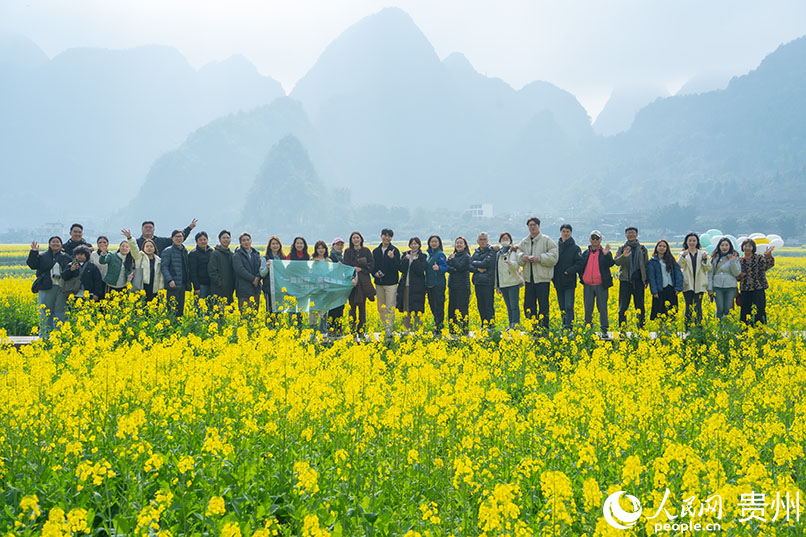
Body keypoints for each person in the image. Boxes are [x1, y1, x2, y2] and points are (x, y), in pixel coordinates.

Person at [518, 217, 558, 330]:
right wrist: (523, 257)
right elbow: (518, 254)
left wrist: (539, 258)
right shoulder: (524, 242)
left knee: (543, 306)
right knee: (529, 305)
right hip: (529, 279)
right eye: (530, 225)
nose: (532, 227)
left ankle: (544, 328)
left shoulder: (547, 240)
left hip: (542, 279)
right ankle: (533, 327)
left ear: (539, 226)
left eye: (534, 225)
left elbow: (554, 256)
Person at [27, 236, 72, 337]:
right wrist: (34, 252)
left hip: (61, 287)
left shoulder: (66, 257)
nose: (55, 244)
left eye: (58, 242)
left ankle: (59, 336)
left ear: (61, 245)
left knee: (60, 312)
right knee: (45, 312)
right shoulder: (43, 256)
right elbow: (32, 264)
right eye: (53, 242)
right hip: (46, 286)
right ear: (49, 244)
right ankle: (45, 336)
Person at [578, 230, 614, 337]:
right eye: (593, 238)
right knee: (588, 308)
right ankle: (588, 329)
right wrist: (583, 278)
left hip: (601, 285)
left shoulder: (605, 252)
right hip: (588, 285)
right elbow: (581, 267)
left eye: (597, 238)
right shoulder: (585, 253)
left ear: (600, 240)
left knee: (602, 308)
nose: (594, 240)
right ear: (590, 239)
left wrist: (606, 255)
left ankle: (604, 330)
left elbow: (611, 264)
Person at [614, 227, 649, 328]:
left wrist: (646, 280)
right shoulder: (622, 248)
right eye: (629, 233)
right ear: (626, 235)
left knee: (640, 306)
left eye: (633, 233)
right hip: (625, 281)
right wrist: (624, 256)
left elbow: (646, 265)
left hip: (639, 281)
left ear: (637, 234)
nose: (631, 235)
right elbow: (616, 262)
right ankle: (622, 329)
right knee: (623, 307)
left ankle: (641, 329)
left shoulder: (642, 249)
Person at [677, 232, 711, 328]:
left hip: (699, 284)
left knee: (698, 307)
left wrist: (705, 259)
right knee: (688, 307)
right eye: (690, 240)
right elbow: (679, 265)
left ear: (697, 242)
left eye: (694, 240)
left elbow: (708, 268)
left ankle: (699, 328)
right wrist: (683, 256)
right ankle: (687, 328)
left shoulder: (702, 254)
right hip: (688, 284)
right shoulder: (682, 253)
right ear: (686, 242)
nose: (692, 242)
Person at [343, 231, 375, 334]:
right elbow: (346, 266)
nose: (356, 239)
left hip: (363, 283)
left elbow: (371, 265)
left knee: (362, 307)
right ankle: (352, 330)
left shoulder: (366, 251)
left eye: (357, 237)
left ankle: (361, 330)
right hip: (352, 283)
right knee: (352, 307)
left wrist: (361, 269)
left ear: (361, 239)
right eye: (354, 238)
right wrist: (353, 270)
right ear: (351, 240)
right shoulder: (348, 251)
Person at [738, 239, 775, 325]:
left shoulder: (758, 258)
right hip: (745, 288)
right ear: (742, 247)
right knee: (745, 310)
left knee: (760, 309)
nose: (747, 248)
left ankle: (760, 330)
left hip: (758, 287)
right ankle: (745, 330)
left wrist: (768, 256)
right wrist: (738, 277)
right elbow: (736, 274)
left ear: (753, 248)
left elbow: (768, 265)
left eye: (749, 246)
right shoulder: (739, 260)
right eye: (745, 246)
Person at [552, 224, 581, 330]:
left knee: (569, 306)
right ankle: (564, 326)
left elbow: (579, 264)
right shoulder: (555, 248)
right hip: (558, 282)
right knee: (562, 307)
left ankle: (569, 327)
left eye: (568, 231)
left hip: (569, 282)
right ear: (560, 232)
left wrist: (569, 271)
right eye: (564, 231)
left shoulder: (575, 248)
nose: (565, 233)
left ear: (571, 233)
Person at [372, 228, 401, 335]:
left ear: (391, 238)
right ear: (381, 236)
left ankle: (389, 329)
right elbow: (372, 266)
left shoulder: (395, 250)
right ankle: (385, 327)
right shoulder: (375, 251)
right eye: (385, 235)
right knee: (381, 307)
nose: (387, 238)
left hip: (391, 283)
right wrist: (374, 273)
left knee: (390, 307)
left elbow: (398, 267)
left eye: (389, 236)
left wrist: (392, 258)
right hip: (379, 283)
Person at [397, 237, 428, 331]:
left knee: (417, 308)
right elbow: (401, 268)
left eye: (415, 243)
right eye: (412, 244)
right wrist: (406, 260)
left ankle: (418, 330)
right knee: (406, 308)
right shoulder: (405, 255)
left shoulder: (423, 256)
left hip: (417, 287)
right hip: (405, 286)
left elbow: (420, 270)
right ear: (409, 245)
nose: (413, 245)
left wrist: (415, 260)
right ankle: (407, 330)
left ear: (419, 245)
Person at [648, 239, 683, 321]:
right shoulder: (652, 261)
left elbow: (678, 274)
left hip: (671, 288)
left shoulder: (671, 259)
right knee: (660, 311)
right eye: (660, 246)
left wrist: (678, 288)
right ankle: (661, 330)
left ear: (667, 248)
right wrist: (654, 291)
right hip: (660, 289)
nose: (662, 248)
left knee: (671, 312)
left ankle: (670, 331)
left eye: (664, 246)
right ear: (656, 247)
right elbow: (651, 277)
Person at [708, 237, 741, 319]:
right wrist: (709, 289)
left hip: (730, 287)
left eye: (726, 245)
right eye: (722, 245)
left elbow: (737, 273)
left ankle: (728, 329)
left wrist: (733, 261)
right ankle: (719, 329)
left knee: (728, 310)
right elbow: (709, 274)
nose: (724, 247)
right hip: (717, 286)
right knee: (720, 309)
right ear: (719, 247)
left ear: (730, 246)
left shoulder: (735, 258)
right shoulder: (714, 258)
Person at [495, 232, 523, 330]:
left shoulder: (513, 251)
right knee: (508, 306)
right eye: (503, 239)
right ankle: (510, 325)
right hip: (503, 284)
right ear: (500, 241)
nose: (505, 240)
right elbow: (497, 271)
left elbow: (516, 266)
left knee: (514, 305)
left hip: (512, 282)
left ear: (510, 240)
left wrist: (510, 263)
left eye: (507, 238)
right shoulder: (498, 254)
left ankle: (516, 325)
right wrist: (497, 285)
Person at [160, 230, 191, 317]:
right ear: (172, 238)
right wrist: (169, 280)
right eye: (176, 237)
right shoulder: (168, 251)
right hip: (173, 284)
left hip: (183, 284)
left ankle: (178, 327)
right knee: (171, 309)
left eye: (180, 237)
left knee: (180, 309)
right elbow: (164, 267)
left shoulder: (184, 250)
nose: (179, 239)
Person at [469, 232, 496, 327]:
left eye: (484, 239)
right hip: (477, 282)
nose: (483, 241)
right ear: (477, 241)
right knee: (480, 306)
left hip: (488, 282)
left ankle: (491, 326)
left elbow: (486, 263)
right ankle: (483, 325)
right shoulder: (476, 252)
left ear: (487, 241)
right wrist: (477, 269)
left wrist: (474, 263)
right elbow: (469, 265)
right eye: (481, 239)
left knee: (488, 305)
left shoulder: (491, 251)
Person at [446, 236, 471, 334]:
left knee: (462, 309)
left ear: (465, 245)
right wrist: (454, 268)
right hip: (453, 286)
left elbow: (460, 267)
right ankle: (453, 330)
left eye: (461, 243)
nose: (459, 245)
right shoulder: (453, 255)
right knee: (452, 309)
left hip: (463, 287)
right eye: (457, 243)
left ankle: (464, 330)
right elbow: (447, 267)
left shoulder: (466, 256)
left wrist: (454, 261)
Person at [232, 232, 262, 314]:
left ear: (251, 241)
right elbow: (240, 270)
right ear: (240, 243)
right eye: (244, 240)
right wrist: (253, 279)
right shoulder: (237, 255)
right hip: (243, 289)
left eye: (248, 240)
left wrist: (258, 277)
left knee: (254, 314)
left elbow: (261, 268)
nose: (246, 242)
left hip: (255, 289)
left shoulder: (256, 254)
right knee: (245, 315)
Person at [425, 235, 448, 332]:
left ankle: (439, 326)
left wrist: (439, 268)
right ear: (429, 243)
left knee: (438, 306)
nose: (433, 243)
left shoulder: (440, 254)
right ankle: (436, 324)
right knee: (432, 306)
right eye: (432, 242)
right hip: (430, 284)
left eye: (435, 241)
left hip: (438, 284)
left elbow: (445, 267)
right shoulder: (429, 255)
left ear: (439, 243)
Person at [309, 240, 332, 333]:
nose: (321, 250)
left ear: (325, 249)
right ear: (316, 250)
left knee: (324, 310)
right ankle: (313, 331)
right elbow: (309, 273)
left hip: (325, 288)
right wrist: (314, 264)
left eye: (322, 248)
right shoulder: (312, 260)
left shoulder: (328, 260)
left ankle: (323, 330)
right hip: (314, 289)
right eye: (318, 248)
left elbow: (331, 273)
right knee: (313, 310)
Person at [208, 230, 235, 305]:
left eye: (228, 238)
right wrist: (220, 283)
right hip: (218, 289)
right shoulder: (215, 254)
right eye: (224, 238)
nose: (226, 240)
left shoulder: (231, 255)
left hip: (229, 290)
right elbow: (212, 271)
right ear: (220, 240)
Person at [260, 236, 285, 315]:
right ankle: (269, 327)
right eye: (273, 244)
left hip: (280, 289)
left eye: (277, 244)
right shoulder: (266, 258)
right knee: (270, 311)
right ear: (270, 246)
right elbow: (262, 274)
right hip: (269, 289)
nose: (275, 246)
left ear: (280, 245)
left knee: (279, 311)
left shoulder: (283, 258)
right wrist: (267, 268)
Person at [327, 238, 346, 334]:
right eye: (337, 244)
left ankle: (339, 328)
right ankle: (331, 328)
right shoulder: (330, 258)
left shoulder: (343, 258)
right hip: (332, 287)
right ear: (333, 246)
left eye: (341, 245)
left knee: (340, 307)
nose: (339, 246)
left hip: (341, 286)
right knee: (332, 308)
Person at [188, 231, 213, 300]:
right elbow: (192, 272)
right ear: (196, 241)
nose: (203, 241)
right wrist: (196, 287)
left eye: (205, 239)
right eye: (200, 240)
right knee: (200, 308)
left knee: (211, 307)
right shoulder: (193, 254)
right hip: (200, 285)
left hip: (211, 284)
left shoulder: (211, 252)